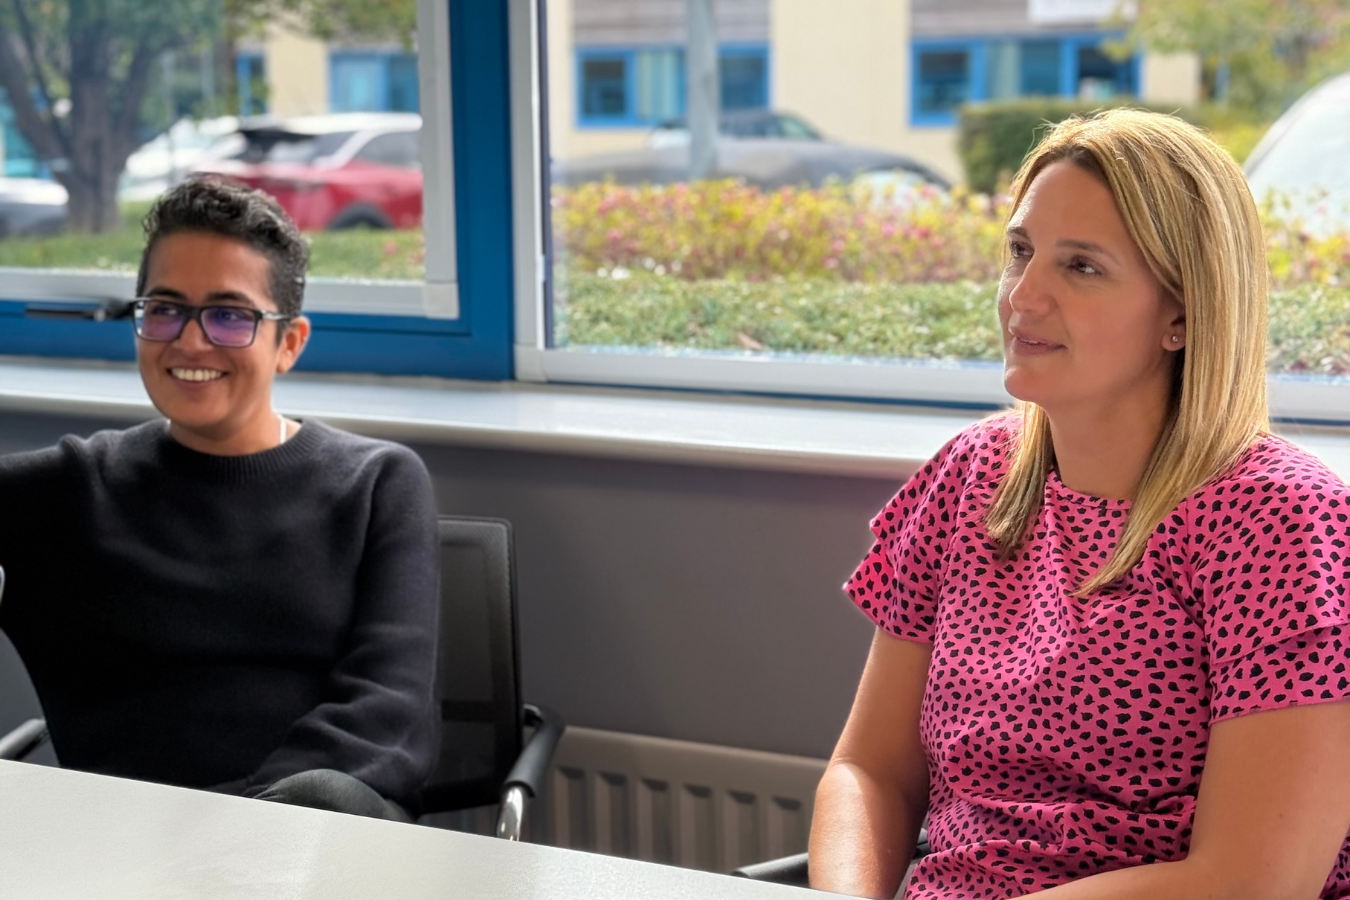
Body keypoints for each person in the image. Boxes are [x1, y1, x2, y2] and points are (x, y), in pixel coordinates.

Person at [810, 109, 1350, 899]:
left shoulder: (1282, 523)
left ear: (1182, 314)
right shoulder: (970, 475)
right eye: (1021, 253)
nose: (1023, 297)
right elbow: (870, 772)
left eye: (1082, 267)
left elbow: (1251, 881)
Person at [0, 178, 440, 821]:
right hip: (120, 849)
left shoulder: (378, 482)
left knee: (323, 797)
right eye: (165, 308)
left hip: (317, 839)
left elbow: (388, 716)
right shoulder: (69, 488)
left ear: (289, 342)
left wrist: (232, 832)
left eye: (230, 315)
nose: (190, 341)